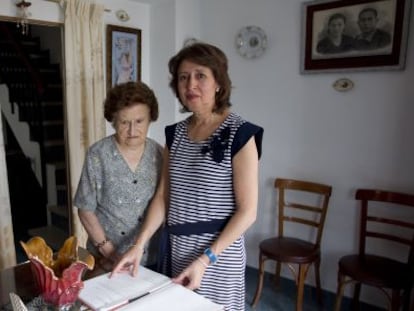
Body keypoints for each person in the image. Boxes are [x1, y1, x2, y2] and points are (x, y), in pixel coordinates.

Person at [112, 42, 264, 311]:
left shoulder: (240, 134)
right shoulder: (176, 134)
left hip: (218, 255)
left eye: (200, 75)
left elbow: (248, 212)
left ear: (219, 81)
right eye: (183, 77)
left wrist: (206, 259)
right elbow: (163, 196)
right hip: (178, 248)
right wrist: (139, 245)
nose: (190, 84)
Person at [74, 81, 163, 271]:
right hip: (104, 258)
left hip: (150, 256)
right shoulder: (97, 155)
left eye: (139, 121)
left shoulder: (160, 154)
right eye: (124, 122)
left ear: (150, 119)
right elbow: (85, 209)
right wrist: (110, 252)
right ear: (113, 121)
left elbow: (163, 202)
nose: (132, 130)